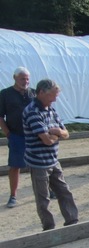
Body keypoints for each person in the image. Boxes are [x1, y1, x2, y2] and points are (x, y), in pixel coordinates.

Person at [22, 79, 78, 231]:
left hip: (53, 160)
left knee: (64, 191)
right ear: (41, 93)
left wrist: (58, 132)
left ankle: (72, 221)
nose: (54, 99)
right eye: (52, 95)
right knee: (43, 198)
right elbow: (46, 140)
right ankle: (49, 228)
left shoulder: (51, 110)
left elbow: (66, 133)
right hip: (38, 162)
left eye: (56, 95)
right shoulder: (32, 111)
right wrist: (56, 135)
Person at [0, 67, 36, 208]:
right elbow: (0, 116)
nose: (25, 81)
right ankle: (13, 195)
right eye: (22, 78)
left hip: (34, 135)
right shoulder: (5, 94)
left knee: (41, 164)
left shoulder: (33, 93)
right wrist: (7, 133)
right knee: (15, 165)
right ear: (15, 78)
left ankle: (47, 190)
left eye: (27, 78)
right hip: (16, 135)